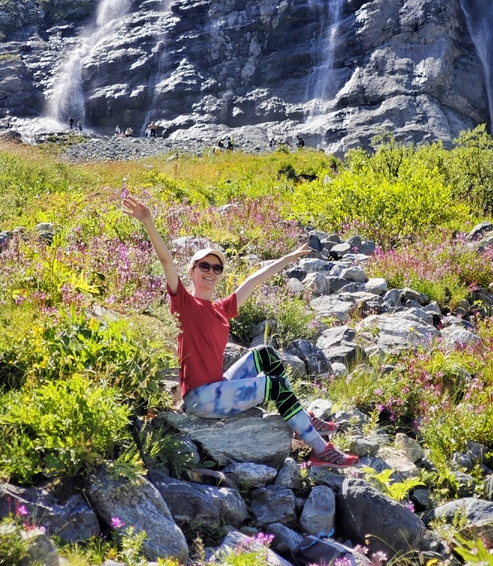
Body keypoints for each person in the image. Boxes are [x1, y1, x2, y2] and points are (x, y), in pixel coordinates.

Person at [122, 196, 358, 468]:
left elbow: (254, 280)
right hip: (200, 398)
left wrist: (287, 258)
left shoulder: (221, 308)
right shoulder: (184, 303)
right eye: (204, 266)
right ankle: (320, 449)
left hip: (219, 386)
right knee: (274, 385)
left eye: (217, 268)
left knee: (265, 354)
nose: (211, 272)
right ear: (192, 271)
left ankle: (301, 418)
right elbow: (166, 261)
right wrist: (148, 222)